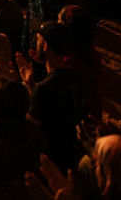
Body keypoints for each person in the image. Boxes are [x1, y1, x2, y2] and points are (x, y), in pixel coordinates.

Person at [17, 22, 83, 172]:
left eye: (38, 40)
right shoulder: (74, 76)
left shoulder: (44, 88)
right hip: (71, 154)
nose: (35, 44)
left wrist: (27, 86)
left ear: (45, 45)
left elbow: (29, 129)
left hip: (51, 161)